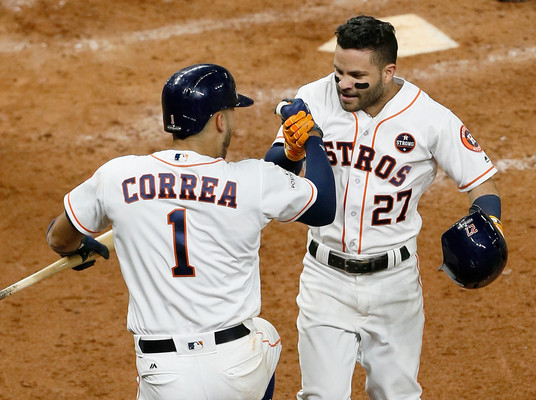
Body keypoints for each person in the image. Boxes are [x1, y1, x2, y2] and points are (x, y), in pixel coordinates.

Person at [46, 63, 336, 400]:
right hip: (236, 366)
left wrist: (77, 248)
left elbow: (59, 237)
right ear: (219, 120)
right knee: (264, 335)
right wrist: (312, 140)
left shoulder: (116, 175)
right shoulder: (252, 181)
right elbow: (323, 206)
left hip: (162, 373)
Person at [264, 15, 505, 400]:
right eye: (338, 71)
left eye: (357, 75)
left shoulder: (429, 118)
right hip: (325, 279)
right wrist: (290, 152)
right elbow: (271, 178)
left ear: (388, 71)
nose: (343, 83)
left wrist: (489, 223)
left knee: (396, 394)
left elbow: (481, 183)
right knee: (320, 396)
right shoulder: (313, 97)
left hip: (395, 285)